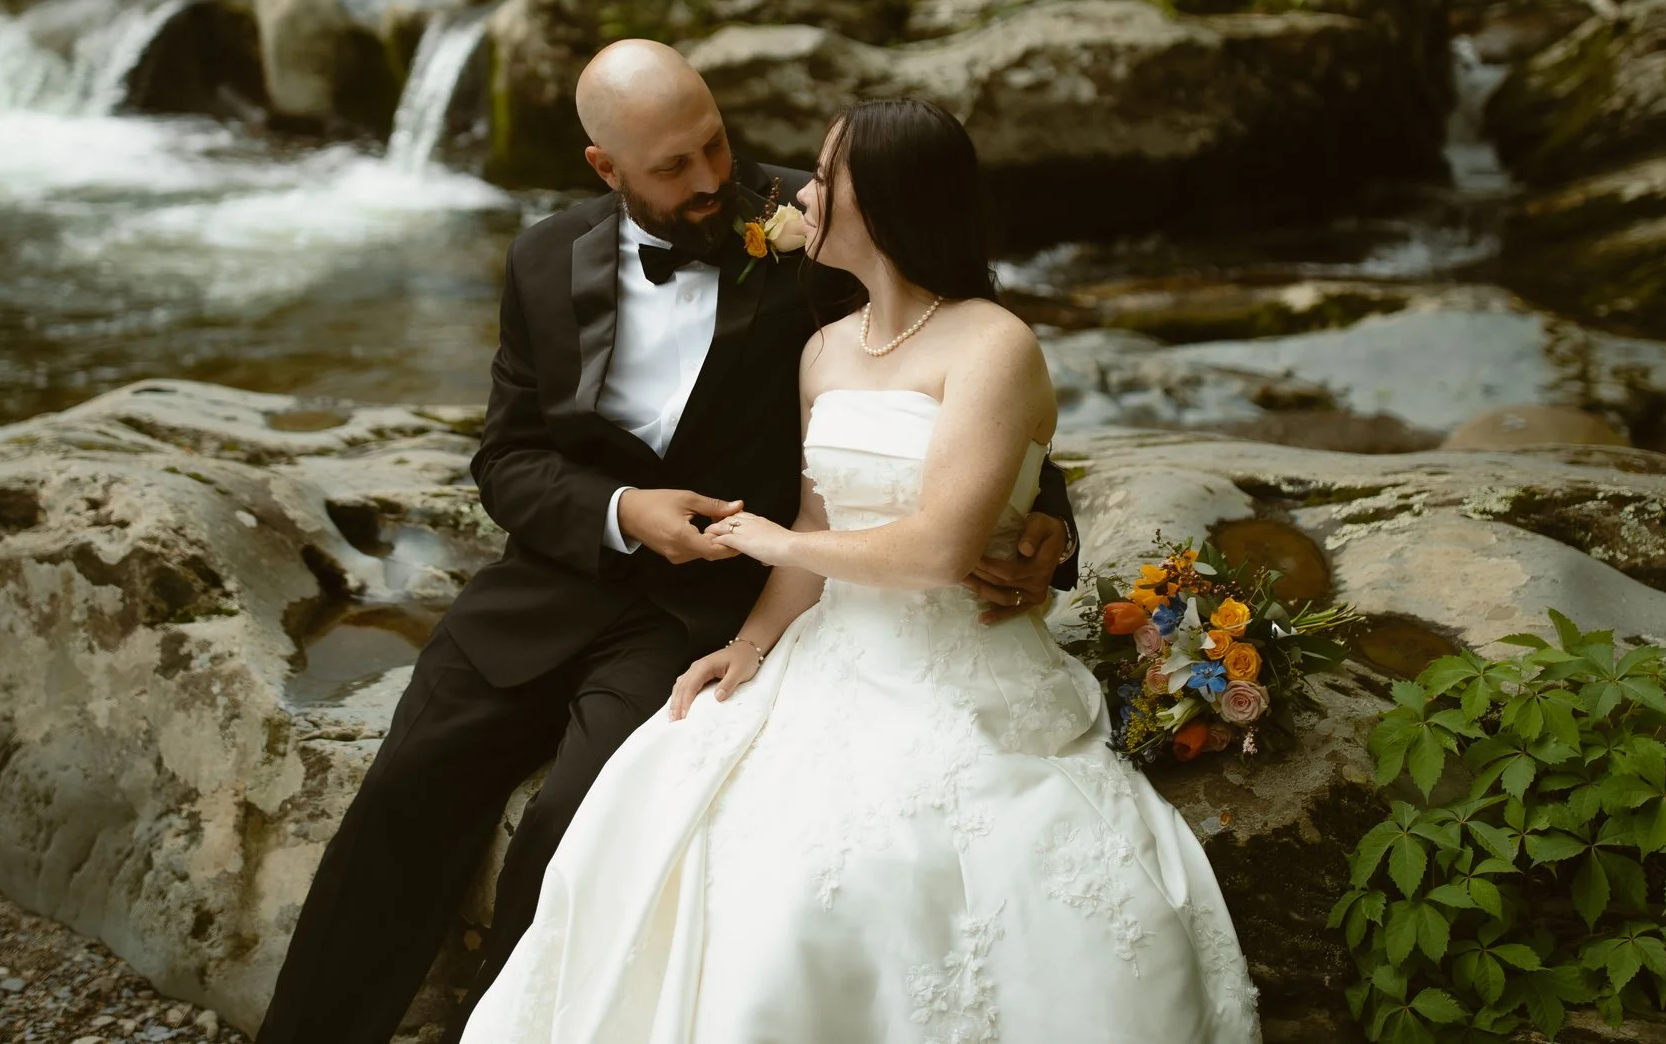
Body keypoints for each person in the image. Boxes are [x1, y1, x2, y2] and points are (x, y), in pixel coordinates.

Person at [257, 45, 1079, 1044]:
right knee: (402, 793)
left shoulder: (822, 227)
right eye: (671, 166)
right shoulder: (542, 257)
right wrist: (619, 508)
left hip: (701, 610)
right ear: (606, 168)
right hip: (550, 587)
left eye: (714, 144)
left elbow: (947, 387)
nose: (708, 179)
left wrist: (1044, 526)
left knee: (575, 816)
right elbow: (508, 459)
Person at [462, 96, 1262, 1044]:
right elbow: (817, 511)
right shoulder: (823, 347)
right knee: (669, 801)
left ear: (876, 205)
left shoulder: (993, 343)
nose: (795, 193)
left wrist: (772, 543)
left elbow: (934, 550)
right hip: (831, 651)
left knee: (871, 862)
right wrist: (751, 645)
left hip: (959, 663)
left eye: (820, 177)